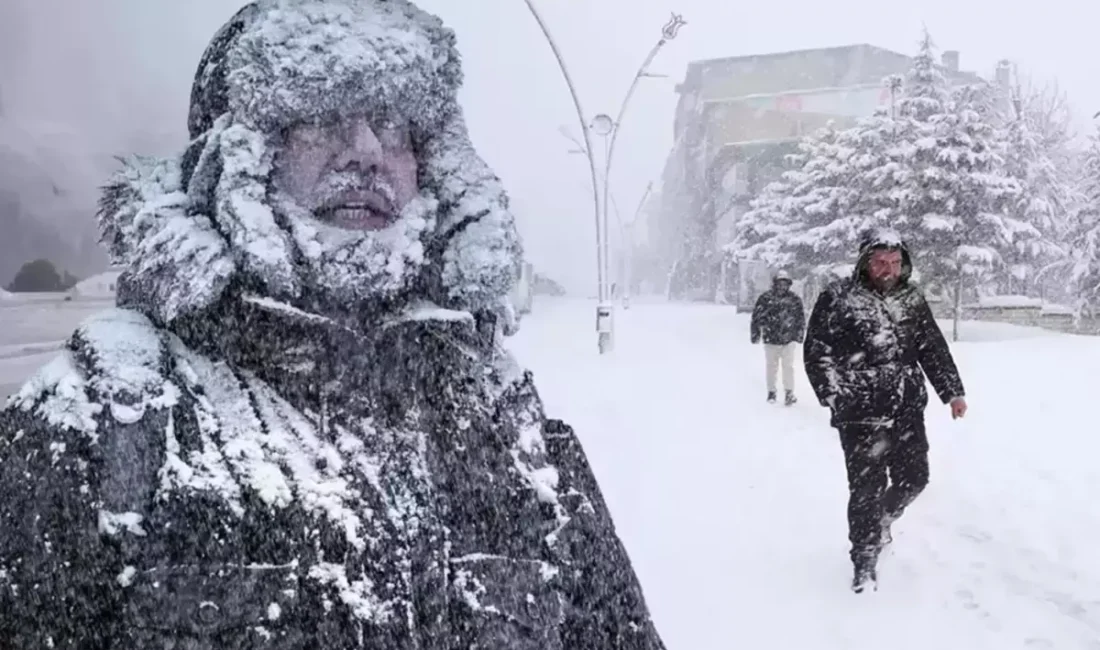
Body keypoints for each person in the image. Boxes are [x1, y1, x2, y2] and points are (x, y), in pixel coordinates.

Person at [0, 2, 666, 647]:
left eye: (394, 123)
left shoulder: (505, 419)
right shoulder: (100, 419)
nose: (369, 151)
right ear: (238, 158)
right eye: (320, 117)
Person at [803, 228, 967, 593]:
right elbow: (817, 351)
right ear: (865, 262)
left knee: (915, 477)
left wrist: (952, 391)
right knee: (866, 488)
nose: (888, 269)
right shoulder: (839, 297)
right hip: (861, 412)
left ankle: (883, 519)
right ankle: (864, 558)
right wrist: (835, 395)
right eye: (880, 262)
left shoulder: (911, 298)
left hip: (907, 407)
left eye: (894, 262)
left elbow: (932, 347)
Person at [750, 269, 805, 405]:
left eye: (784, 284)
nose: (782, 287)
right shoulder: (765, 298)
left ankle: (789, 392)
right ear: (775, 284)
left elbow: (800, 318)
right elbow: (756, 317)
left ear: (788, 285)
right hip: (771, 339)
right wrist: (755, 334)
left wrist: (799, 334)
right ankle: (771, 392)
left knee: (788, 367)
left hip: (788, 339)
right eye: (779, 284)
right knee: (771, 367)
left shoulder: (794, 300)